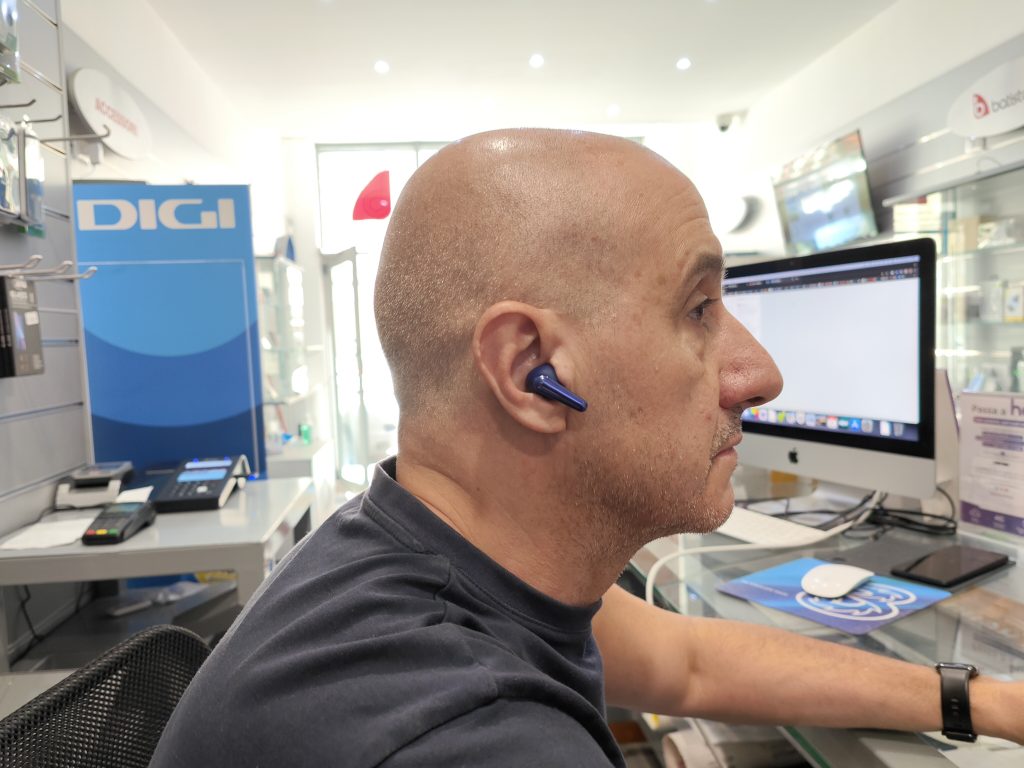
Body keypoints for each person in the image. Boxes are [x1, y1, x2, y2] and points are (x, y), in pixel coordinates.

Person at [151, 129, 1023, 767]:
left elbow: (686, 664)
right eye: (698, 310)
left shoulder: (423, 548)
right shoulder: (466, 735)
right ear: (532, 373)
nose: (761, 375)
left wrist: (986, 700)